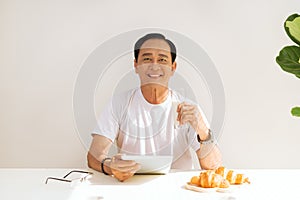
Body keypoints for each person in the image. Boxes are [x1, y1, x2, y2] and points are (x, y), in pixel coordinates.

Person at [87, 33, 222, 182]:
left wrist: (203, 130)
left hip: (179, 190)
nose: (154, 65)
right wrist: (109, 166)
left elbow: (214, 166)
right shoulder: (118, 104)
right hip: (131, 186)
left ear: (173, 67)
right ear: (136, 65)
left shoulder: (188, 109)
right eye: (147, 59)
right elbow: (94, 155)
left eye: (162, 59)